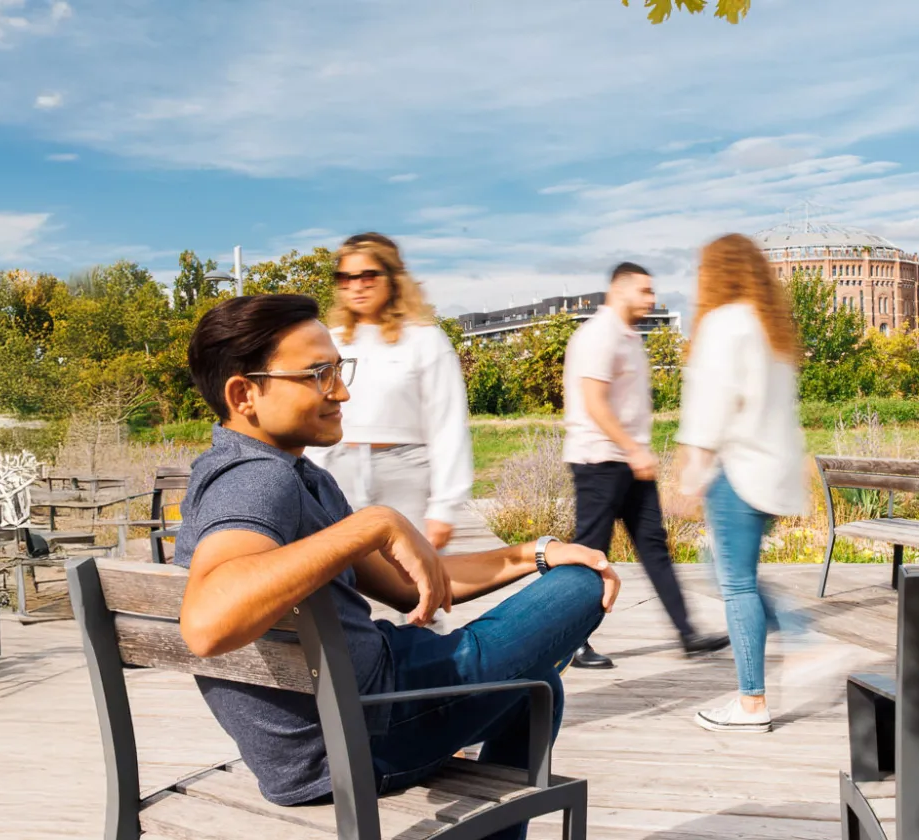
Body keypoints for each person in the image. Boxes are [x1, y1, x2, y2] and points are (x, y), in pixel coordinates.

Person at [174, 294, 621, 840]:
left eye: (339, 369)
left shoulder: (290, 476)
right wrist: (373, 523)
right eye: (318, 374)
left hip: (348, 716)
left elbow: (414, 590)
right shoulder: (254, 479)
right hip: (361, 734)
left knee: (534, 686)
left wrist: (535, 552)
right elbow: (207, 621)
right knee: (580, 587)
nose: (341, 391)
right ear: (244, 394)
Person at [667, 234, 810, 732]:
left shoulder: (724, 322)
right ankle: (798, 634)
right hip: (774, 472)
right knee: (727, 571)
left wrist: (689, 473)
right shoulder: (770, 330)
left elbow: (708, 404)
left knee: (735, 585)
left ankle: (753, 702)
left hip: (739, 472)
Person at [562, 262, 727, 670]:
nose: (651, 299)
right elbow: (594, 403)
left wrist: (636, 453)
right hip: (599, 460)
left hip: (628, 462)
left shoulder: (630, 336)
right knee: (588, 556)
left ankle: (688, 634)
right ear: (620, 290)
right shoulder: (599, 336)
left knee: (654, 548)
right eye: (644, 291)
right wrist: (632, 449)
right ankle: (570, 642)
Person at [305, 233, 474, 550]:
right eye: (345, 278)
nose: (356, 286)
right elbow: (317, 415)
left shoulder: (426, 339)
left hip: (407, 477)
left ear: (392, 278)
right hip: (339, 472)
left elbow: (448, 424)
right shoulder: (331, 339)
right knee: (343, 585)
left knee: (415, 587)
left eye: (367, 276)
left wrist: (444, 506)